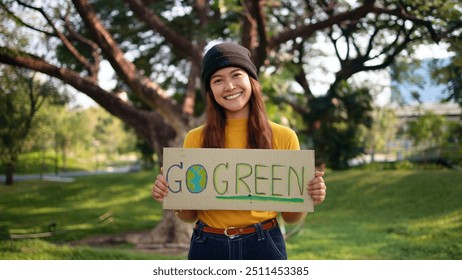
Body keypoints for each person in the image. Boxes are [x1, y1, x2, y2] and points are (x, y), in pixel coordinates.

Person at [152, 42, 327, 260]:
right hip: (207, 244)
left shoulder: (284, 137)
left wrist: (308, 195)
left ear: (251, 80)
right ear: (210, 90)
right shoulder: (195, 138)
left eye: (236, 75)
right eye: (218, 80)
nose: (229, 86)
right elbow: (190, 215)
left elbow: (291, 218)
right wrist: (173, 195)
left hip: (264, 243)